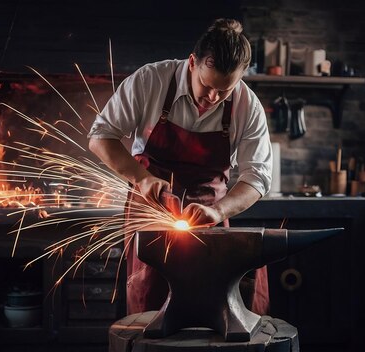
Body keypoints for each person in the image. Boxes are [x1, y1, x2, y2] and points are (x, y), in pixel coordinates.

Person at [88, 18, 272, 315]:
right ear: (192, 63)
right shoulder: (150, 81)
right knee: (150, 303)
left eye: (224, 91)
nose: (212, 98)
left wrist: (219, 211)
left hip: (208, 213)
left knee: (213, 303)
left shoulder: (247, 106)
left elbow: (257, 178)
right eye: (207, 85)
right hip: (148, 205)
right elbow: (100, 138)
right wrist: (142, 179)